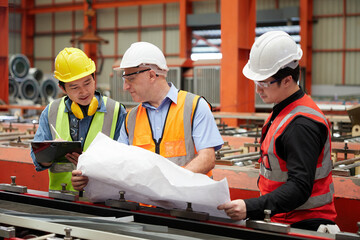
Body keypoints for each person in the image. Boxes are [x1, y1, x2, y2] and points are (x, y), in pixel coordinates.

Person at [218, 31, 337, 231]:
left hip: (303, 224)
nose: (258, 90)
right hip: (283, 218)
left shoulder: (301, 125)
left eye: (264, 83)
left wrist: (250, 207)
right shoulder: (284, 108)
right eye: (257, 83)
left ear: (287, 80)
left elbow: (300, 187)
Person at [71, 41, 224, 191]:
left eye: (130, 79)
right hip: (147, 210)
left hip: (189, 209)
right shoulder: (130, 119)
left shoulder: (194, 106)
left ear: (151, 75)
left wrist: (169, 186)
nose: (125, 87)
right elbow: (118, 165)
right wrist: (90, 176)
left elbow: (207, 159)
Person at [31, 47, 127, 192]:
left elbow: (125, 162)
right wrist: (50, 151)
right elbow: (37, 160)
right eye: (74, 87)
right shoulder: (51, 112)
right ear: (63, 88)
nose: (83, 92)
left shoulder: (116, 111)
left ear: (94, 78)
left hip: (103, 202)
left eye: (87, 83)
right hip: (62, 201)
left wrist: (92, 171)